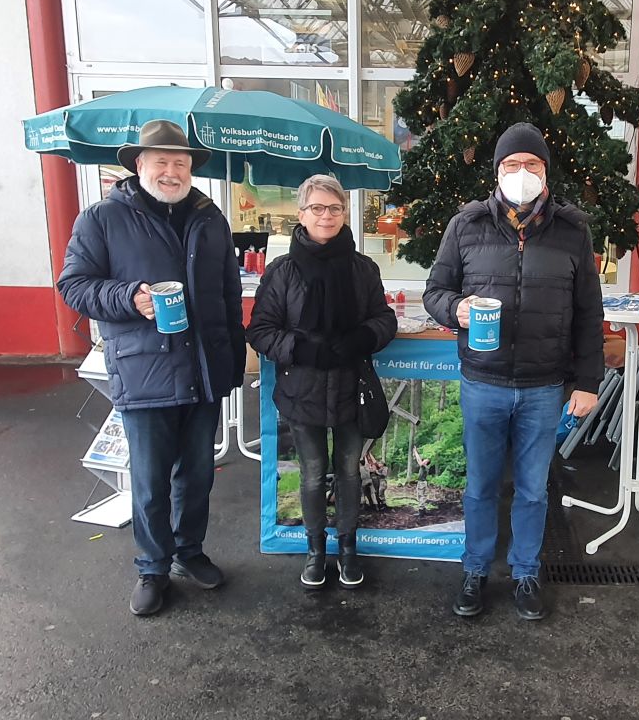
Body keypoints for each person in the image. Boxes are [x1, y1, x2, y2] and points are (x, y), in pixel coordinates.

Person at [57, 119, 246, 617]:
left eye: (180, 163)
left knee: (198, 475)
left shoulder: (210, 217)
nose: (171, 171)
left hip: (204, 371)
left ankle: (190, 551)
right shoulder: (101, 218)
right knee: (150, 480)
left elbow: (228, 293)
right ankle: (152, 568)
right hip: (144, 372)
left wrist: (230, 363)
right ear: (139, 165)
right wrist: (129, 298)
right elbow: (73, 284)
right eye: (161, 161)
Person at [424, 122, 604, 621]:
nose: (520, 174)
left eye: (532, 165)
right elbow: (434, 290)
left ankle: (526, 571)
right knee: (480, 484)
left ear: (546, 175)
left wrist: (587, 381)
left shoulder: (572, 231)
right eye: (511, 165)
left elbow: (590, 311)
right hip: (483, 381)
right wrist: (457, 309)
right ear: (496, 172)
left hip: (544, 386)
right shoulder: (466, 225)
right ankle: (476, 569)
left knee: (532, 487)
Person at [247, 174, 396, 590]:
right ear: (301, 214)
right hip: (302, 391)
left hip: (352, 389)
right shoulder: (282, 272)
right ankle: (316, 551)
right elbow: (260, 330)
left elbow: (384, 319)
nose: (325, 216)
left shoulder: (363, 268)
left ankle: (348, 548)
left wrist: (360, 338)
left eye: (334, 208)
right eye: (317, 208)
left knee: (348, 471)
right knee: (313, 473)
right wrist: (303, 350)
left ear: (344, 213)